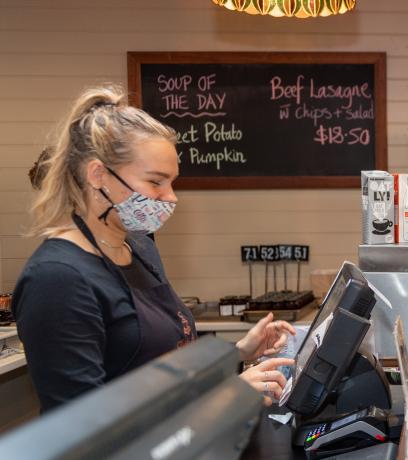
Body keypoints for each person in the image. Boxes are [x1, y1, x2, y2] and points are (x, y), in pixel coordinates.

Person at [13, 85, 295, 412]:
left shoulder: (139, 249)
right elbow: (84, 421)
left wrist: (237, 352)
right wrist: (223, 395)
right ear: (98, 175)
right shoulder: (56, 280)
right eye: (155, 182)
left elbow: (162, 361)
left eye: (172, 182)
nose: (171, 196)